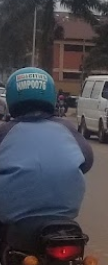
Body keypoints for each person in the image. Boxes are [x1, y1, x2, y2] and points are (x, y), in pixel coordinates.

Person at [0, 68, 93, 254]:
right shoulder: (66, 127)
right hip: (65, 212)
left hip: (15, 216)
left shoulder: (5, 131)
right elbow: (87, 161)